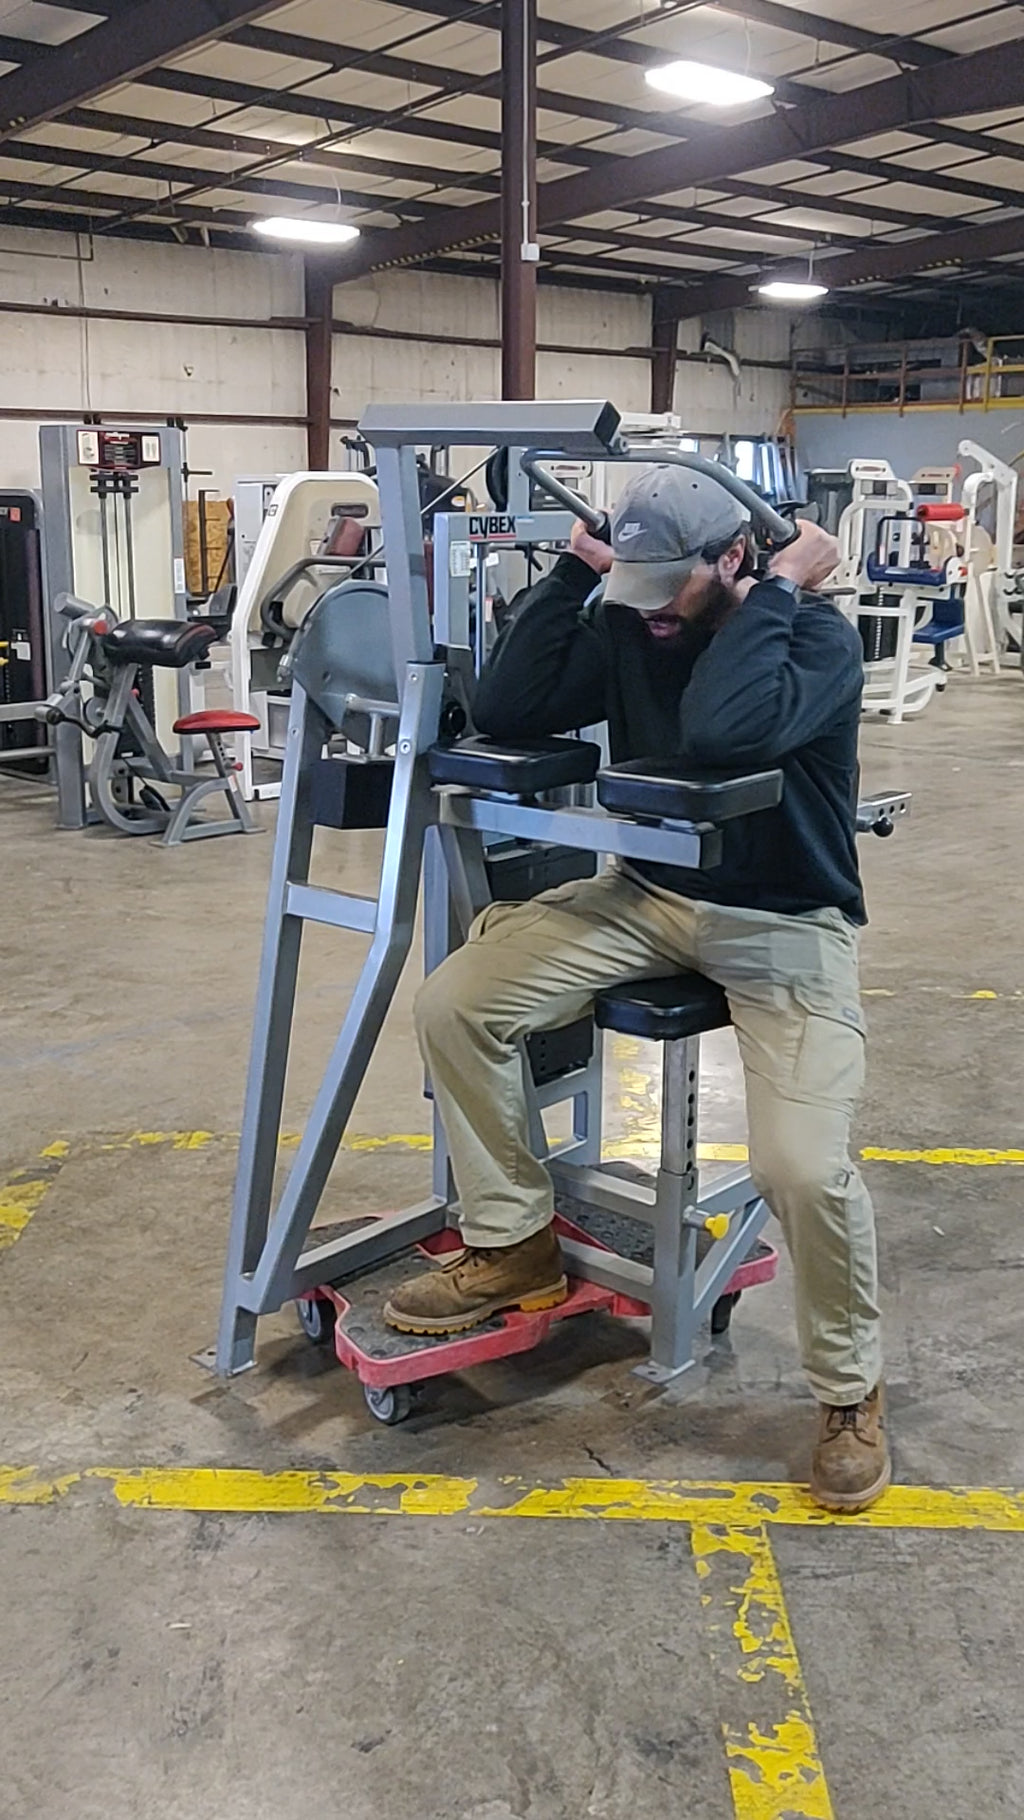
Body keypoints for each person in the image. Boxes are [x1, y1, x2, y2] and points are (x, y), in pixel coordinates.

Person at [384, 464, 888, 1514]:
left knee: (799, 1165)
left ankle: (848, 1391)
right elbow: (512, 704)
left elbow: (724, 731)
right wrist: (576, 574)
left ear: (736, 557)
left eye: (671, 588)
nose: (650, 611)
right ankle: (513, 1244)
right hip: (648, 896)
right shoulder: (630, 615)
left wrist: (781, 589)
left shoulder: (813, 638)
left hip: (785, 923)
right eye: (635, 585)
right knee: (457, 1001)